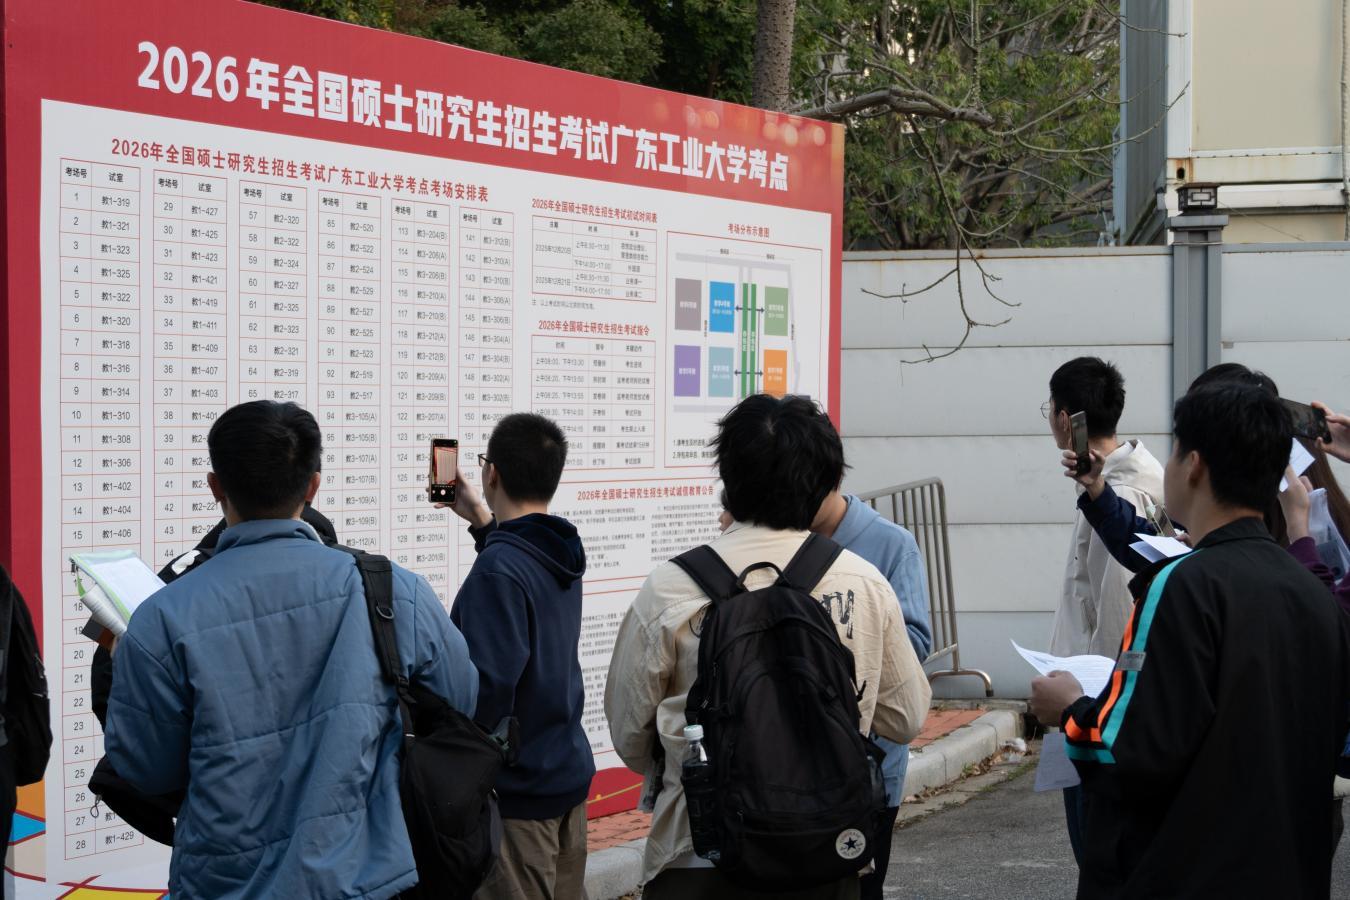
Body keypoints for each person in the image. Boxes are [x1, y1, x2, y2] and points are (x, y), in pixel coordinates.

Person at [104, 401, 478, 899]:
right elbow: (460, 701)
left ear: (216, 487)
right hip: (364, 877)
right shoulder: (392, 591)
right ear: (313, 486)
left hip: (222, 883)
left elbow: (147, 770)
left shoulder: (160, 618)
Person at [1029, 381, 1350, 898]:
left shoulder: (1179, 585)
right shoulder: (1315, 592)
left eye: (1175, 449)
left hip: (1187, 871)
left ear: (1194, 465)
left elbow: (1125, 750)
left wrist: (1069, 707)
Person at [605, 394, 931, 900]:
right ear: (825, 480)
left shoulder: (669, 588)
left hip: (697, 853)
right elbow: (905, 719)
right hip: (824, 853)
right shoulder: (863, 583)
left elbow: (629, 734)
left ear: (728, 477)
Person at [436, 413, 594, 900]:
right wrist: (482, 521)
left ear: (491, 473)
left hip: (520, 798)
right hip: (564, 773)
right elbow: (519, 565)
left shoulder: (498, 571)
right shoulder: (560, 549)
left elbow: (484, 694)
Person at [1044, 358, 1163, 866]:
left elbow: (1118, 611)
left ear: (1065, 418)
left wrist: (1090, 711)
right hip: (1092, 699)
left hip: (1095, 703)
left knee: (1099, 853)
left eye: (1050, 409)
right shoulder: (1118, 475)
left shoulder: (1123, 489)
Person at [810, 489, 932, 900]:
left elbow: (916, 642)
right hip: (796, 762)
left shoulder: (891, 543)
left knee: (862, 886)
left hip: (870, 763)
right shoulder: (784, 537)